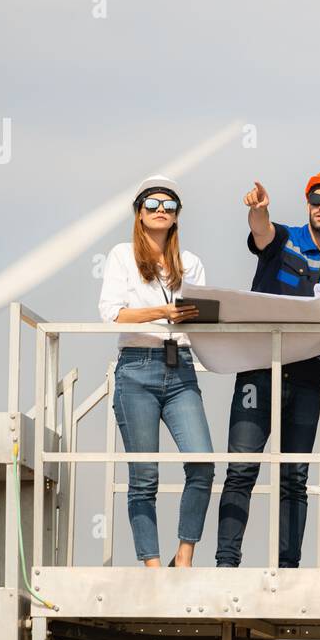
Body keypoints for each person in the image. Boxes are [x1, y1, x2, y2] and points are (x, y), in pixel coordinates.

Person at [215, 170, 320, 568]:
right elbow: (261, 232)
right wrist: (259, 211)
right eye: (316, 200)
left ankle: (289, 569)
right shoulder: (284, 239)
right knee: (241, 468)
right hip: (260, 371)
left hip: (310, 380)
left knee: (294, 478)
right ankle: (226, 564)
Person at [97, 175, 213, 568]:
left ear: (177, 215)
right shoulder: (120, 256)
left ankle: (184, 557)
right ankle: (151, 565)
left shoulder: (191, 263)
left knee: (202, 462)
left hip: (180, 366)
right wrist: (163, 312)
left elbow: (201, 318)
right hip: (137, 366)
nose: (161, 210)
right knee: (144, 475)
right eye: (152, 204)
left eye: (169, 205)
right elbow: (113, 313)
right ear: (139, 212)